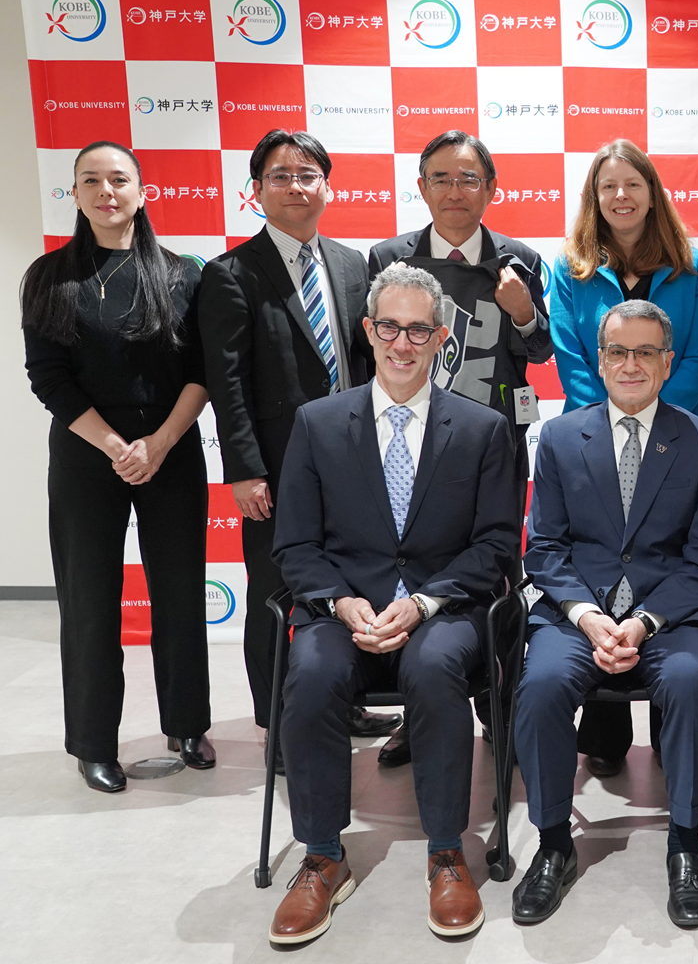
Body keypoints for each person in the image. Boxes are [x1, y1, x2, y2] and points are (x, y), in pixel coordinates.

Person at [267, 262, 520, 943]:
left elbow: (496, 545)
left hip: (444, 612)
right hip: (342, 611)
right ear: (367, 331)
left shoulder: (482, 428)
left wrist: (427, 603)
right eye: (389, 328)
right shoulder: (317, 424)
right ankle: (322, 856)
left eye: (417, 330)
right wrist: (342, 602)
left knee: (434, 670)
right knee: (313, 674)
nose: (402, 344)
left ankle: (446, 851)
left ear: (442, 337)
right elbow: (294, 545)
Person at [509, 300, 698, 928]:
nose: (631, 365)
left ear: (668, 363)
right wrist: (586, 616)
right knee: (544, 684)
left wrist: (643, 623)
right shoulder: (557, 436)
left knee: (690, 683)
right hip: (577, 613)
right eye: (618, 353)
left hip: (668, 615)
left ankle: (686, 843)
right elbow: (545, 548)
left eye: (646, 353)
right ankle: (554, 843)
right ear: (599, 361)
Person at [21, 141, 213, 793]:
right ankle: (94, 743)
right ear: (74, 193)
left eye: (119, 179)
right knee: (91, 601)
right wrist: (116, 446)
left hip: (172, 446)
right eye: (91, 180)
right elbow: (47, 377)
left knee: (181, 594)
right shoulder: (49, 277)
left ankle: (188, 724)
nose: (107, 190)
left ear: (141, 190)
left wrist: (156, 444)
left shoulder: (185, 273)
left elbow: (201, 372)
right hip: (84, 453)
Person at [199, 129, 395, 755]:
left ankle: (349, 703)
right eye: (279, 176)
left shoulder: (350, 263)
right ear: (256, 191)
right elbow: (226, 384)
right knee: (273, 593)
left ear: (327, 187)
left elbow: (364, 365)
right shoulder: (230, 273)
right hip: (276, 468)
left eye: (307, 174)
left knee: (352, 587)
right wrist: (245, 470)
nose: (295, 186)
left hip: (352, 462)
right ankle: (277, 724)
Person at [367, 129, 550, 768]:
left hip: (493, 451)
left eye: (468, 179)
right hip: (406, 451)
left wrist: (524, 313)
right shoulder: (388, 258)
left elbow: (541, 351)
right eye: (440, 178)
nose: (454, 191)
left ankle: (497, 710)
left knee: (497, 577)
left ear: (491, 190)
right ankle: (422, 714)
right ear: (420, 188)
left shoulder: (519, 259)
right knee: (412, 571)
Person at [550, 138, 698, 777]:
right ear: (594, 198)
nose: (620, 196)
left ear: (653, 192)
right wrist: (621, 416)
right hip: (595, 437)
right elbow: (574, 361)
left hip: (677, 436)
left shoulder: (693, 265)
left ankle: (671, 711)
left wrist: (651, 420)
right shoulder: (568, 268)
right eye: (607, 186)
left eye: (633, 184)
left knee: (659, 554)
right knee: (602, 551)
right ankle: (606, 715)